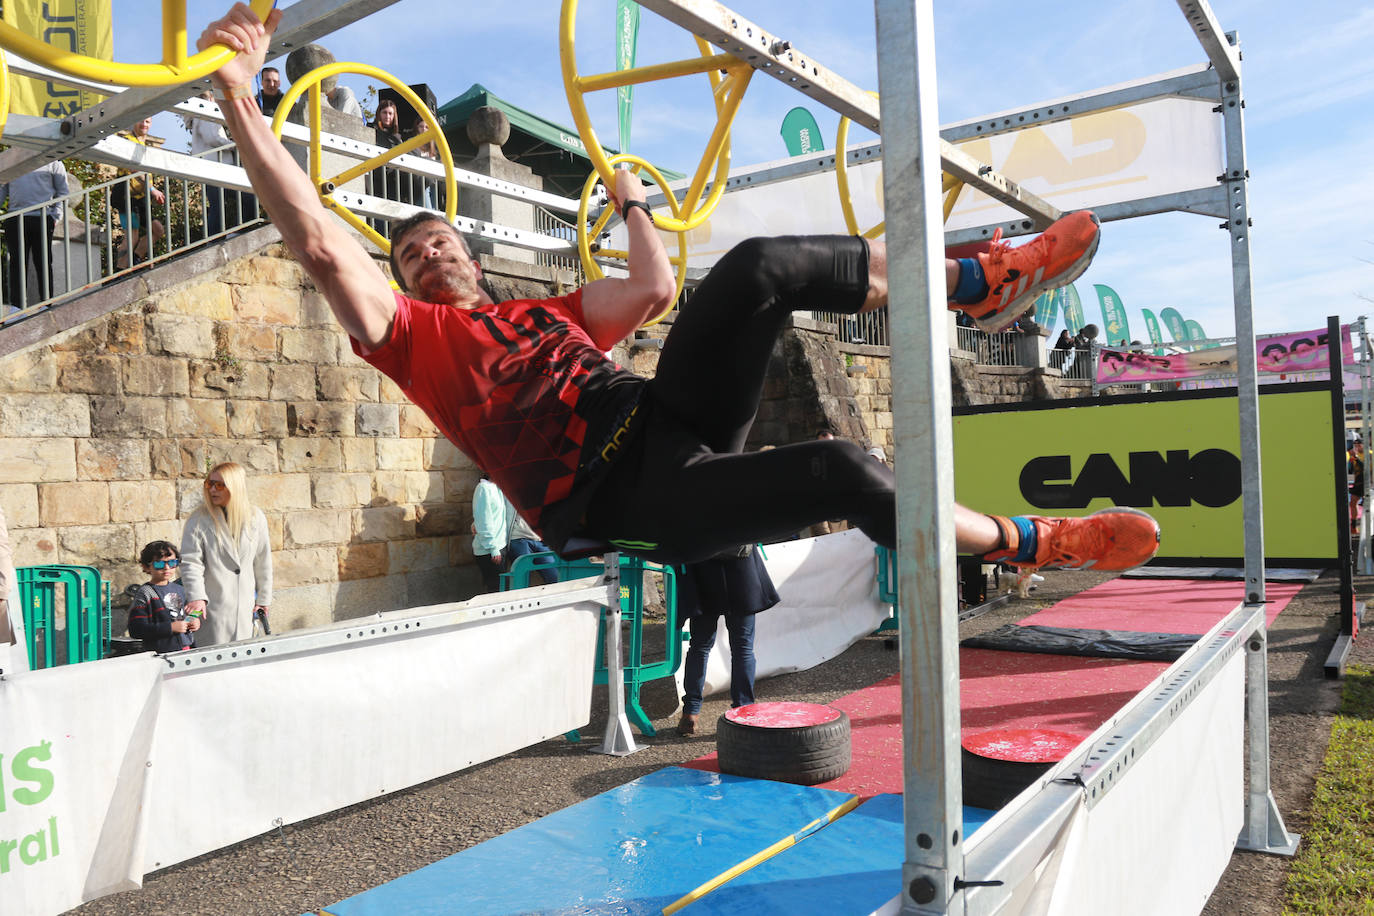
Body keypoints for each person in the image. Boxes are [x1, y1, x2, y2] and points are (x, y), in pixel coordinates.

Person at [198, 5, 1160, 577]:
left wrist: (628, 203)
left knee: (760, 268)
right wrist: (242, 96)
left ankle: (973, 283)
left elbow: (654, 287)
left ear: (475, 256)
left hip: (661, 412)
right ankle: (1028, 541)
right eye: (411, 257)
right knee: (844, 470)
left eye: (441, 242)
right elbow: (323, 246)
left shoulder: (549, 312)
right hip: (627, 497)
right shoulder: (409, 338)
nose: (429, 257)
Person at [676, 545, 778, 736]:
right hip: (741, 572)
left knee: (699, 646)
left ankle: (691, 712)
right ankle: (744, 710)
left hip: (703, 570)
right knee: (743, 649)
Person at [181, 461, 273, 646]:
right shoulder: (198, 520)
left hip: (246, 606)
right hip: (214, 607)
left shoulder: (255, 517)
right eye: (210, 483)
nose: (213, 489)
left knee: (245, 662)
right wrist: (197, 597)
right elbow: (191, 563)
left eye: (220, 485)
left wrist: (264, 598)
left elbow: (263, 560)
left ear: (235, 486)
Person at [1, 160, 69, 310]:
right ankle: (17, 307)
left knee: (43, 261)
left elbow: (63, 191)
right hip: (15, 216)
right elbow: (2, 188)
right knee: (17, 263)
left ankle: (46, 303)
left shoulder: (53, 161)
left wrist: (56, 216)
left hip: (42, 216)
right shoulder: (14, 159)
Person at [126, 540, 199, 653]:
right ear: (146, 567)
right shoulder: (146, 593)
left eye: (172, 563)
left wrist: (194, 621)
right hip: (161, 655)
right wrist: (170, 628)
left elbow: (190, 613)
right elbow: (136, 629)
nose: (167, 568)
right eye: (159, 564)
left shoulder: (180, 589)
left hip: (186, 650)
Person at [112, 117, 166, 270]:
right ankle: (120, 270)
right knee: (132, 234)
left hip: (139, 197)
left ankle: (135, 259)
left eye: (147, 122)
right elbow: (134, 169)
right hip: (125, 194)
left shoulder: (143, 144)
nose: (143, 124)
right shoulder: (129, 141)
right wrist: (152, 189)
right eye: (141, 121)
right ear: (134, 122)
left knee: (157, 230)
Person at [471, 473, 508, 593]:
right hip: (489, 550)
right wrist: (493, 548)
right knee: (496, 589)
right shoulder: (483, 488)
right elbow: (484, 519)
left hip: (500, 546)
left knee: (502, 588)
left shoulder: (497, 488)